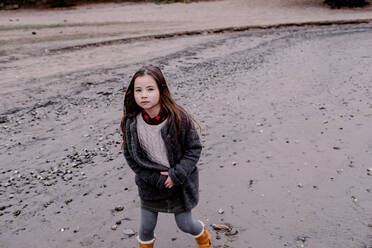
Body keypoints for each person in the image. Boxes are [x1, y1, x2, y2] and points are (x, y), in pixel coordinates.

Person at [120, 65, 213, 248]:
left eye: (150, 89)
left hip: (179, 183)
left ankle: (203, 238)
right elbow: (131, 157)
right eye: (138, 90)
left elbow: (194, 149)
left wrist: (176, 174)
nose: (144, 95)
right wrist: (155, 179)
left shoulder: (178, 118)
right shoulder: (132, 122)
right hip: (151, 185)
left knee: (185, 224)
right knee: (146, 228)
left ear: (161, 91)